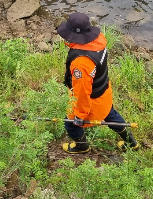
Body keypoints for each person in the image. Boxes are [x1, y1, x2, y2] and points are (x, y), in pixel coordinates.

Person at [57, 12, 139, 154]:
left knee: (70, 124)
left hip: (92, 99)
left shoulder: (81, 63)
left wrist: (79, 116)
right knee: (110, 114)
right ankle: (130, 142)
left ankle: (82, 146)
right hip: (104, 92)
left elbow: (82, 92)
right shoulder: (99, 40)